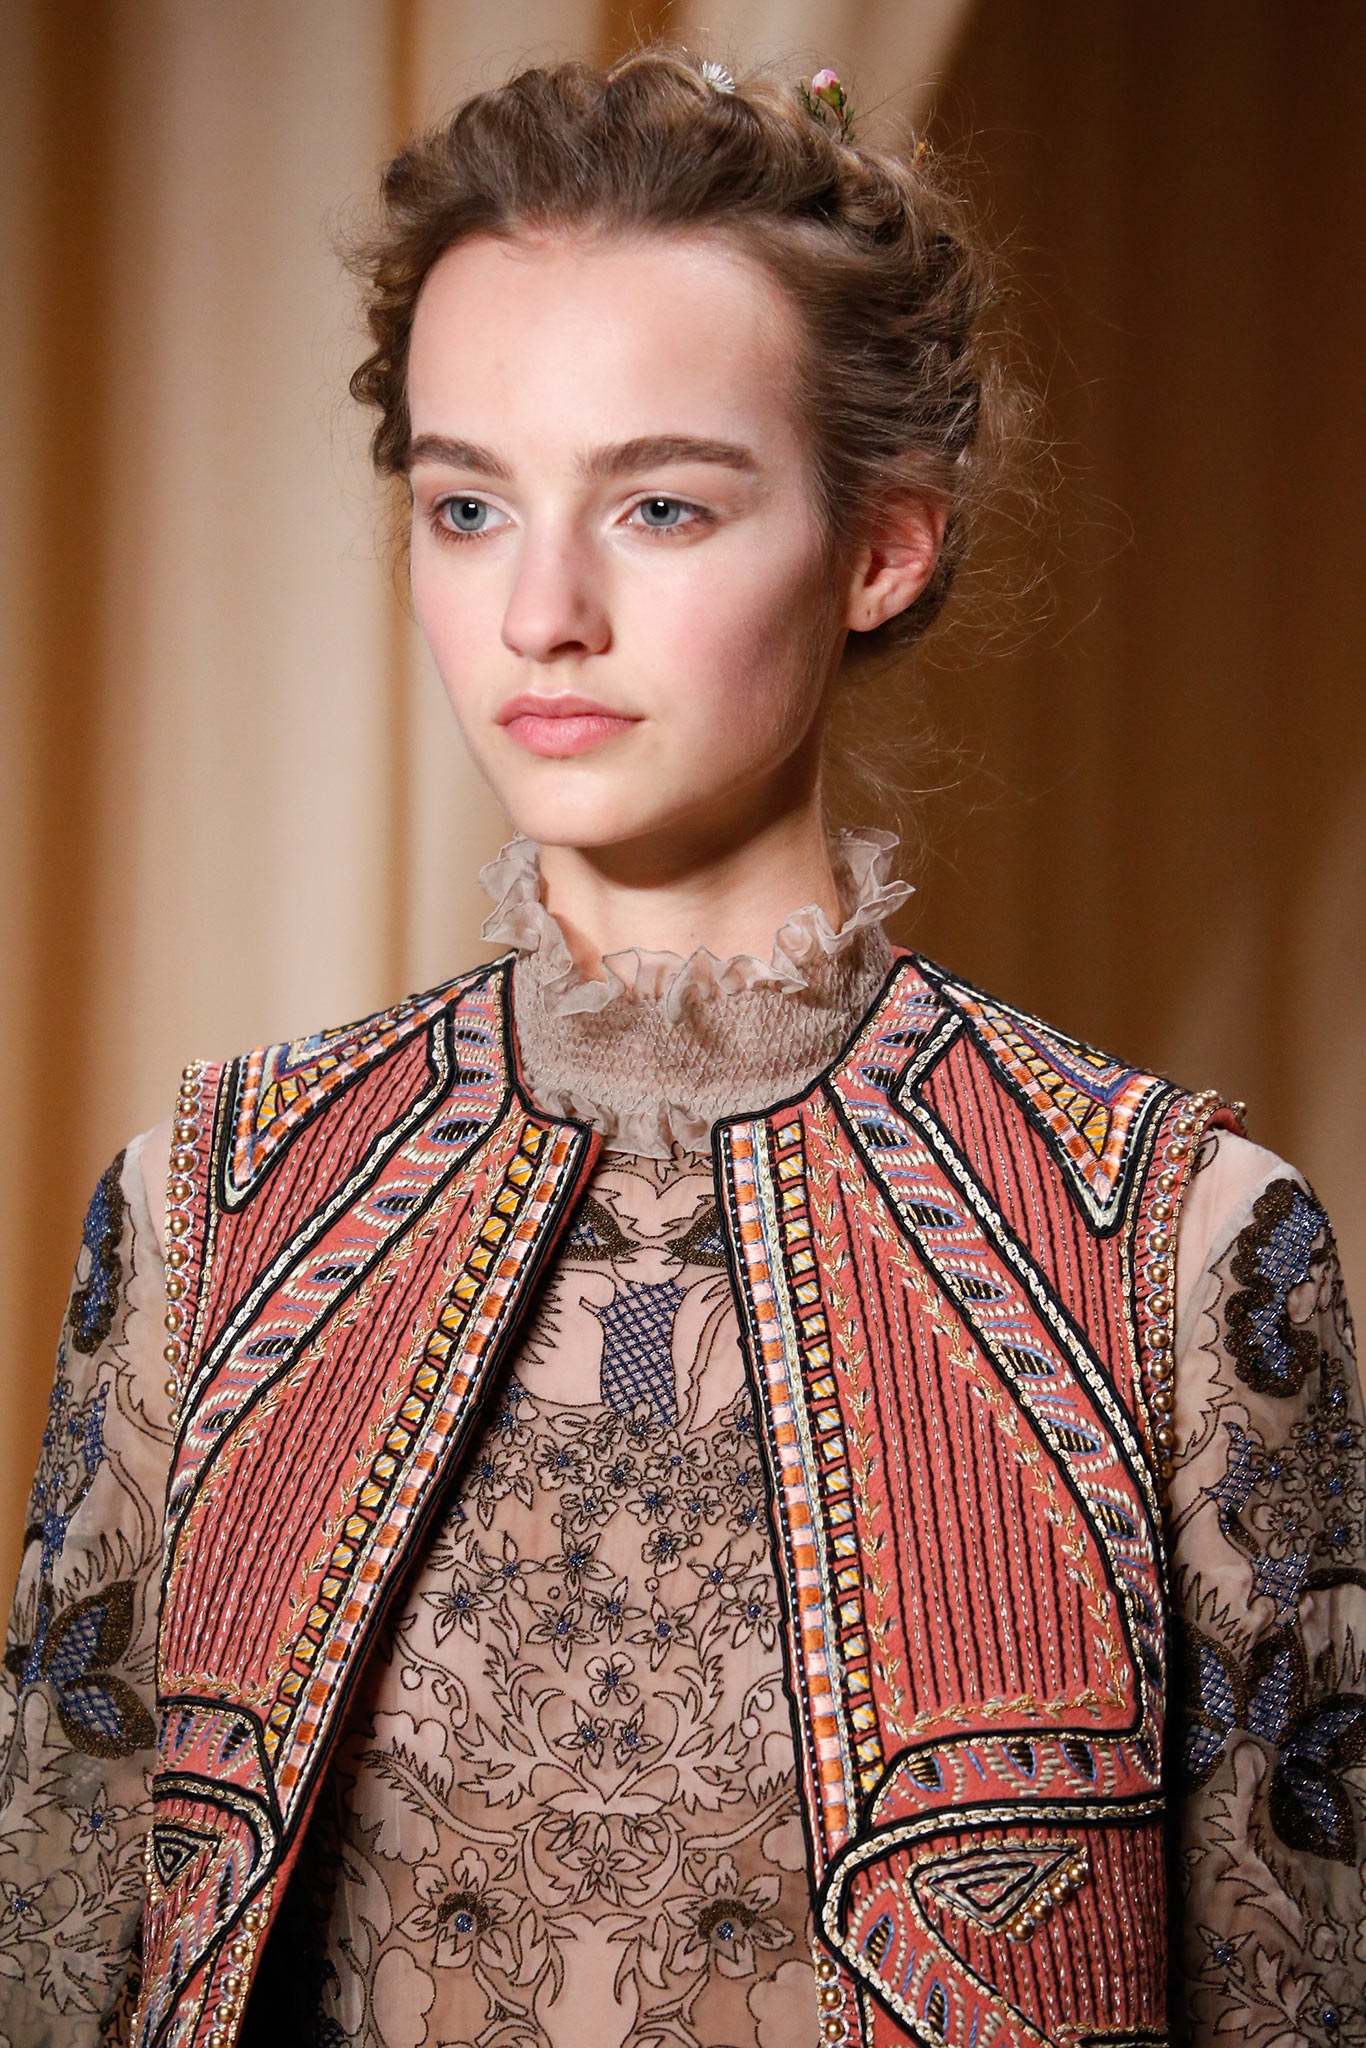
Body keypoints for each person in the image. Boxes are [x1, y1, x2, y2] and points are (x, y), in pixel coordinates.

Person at [1, 47, 1361, 2048]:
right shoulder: (205, 1210)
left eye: (658, 503)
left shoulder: (1175, 1247)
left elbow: (1297, 1990)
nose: (540, 610)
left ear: (883, 544)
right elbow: (56, 1957)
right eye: (468, 505)